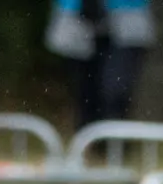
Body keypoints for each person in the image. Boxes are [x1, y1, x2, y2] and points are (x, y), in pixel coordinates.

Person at [47, 0, 153, 129]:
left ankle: (114, 140)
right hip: (76, 16)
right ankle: (90, 141)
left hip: (127, 15)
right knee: (84, 94)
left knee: (115, 92)